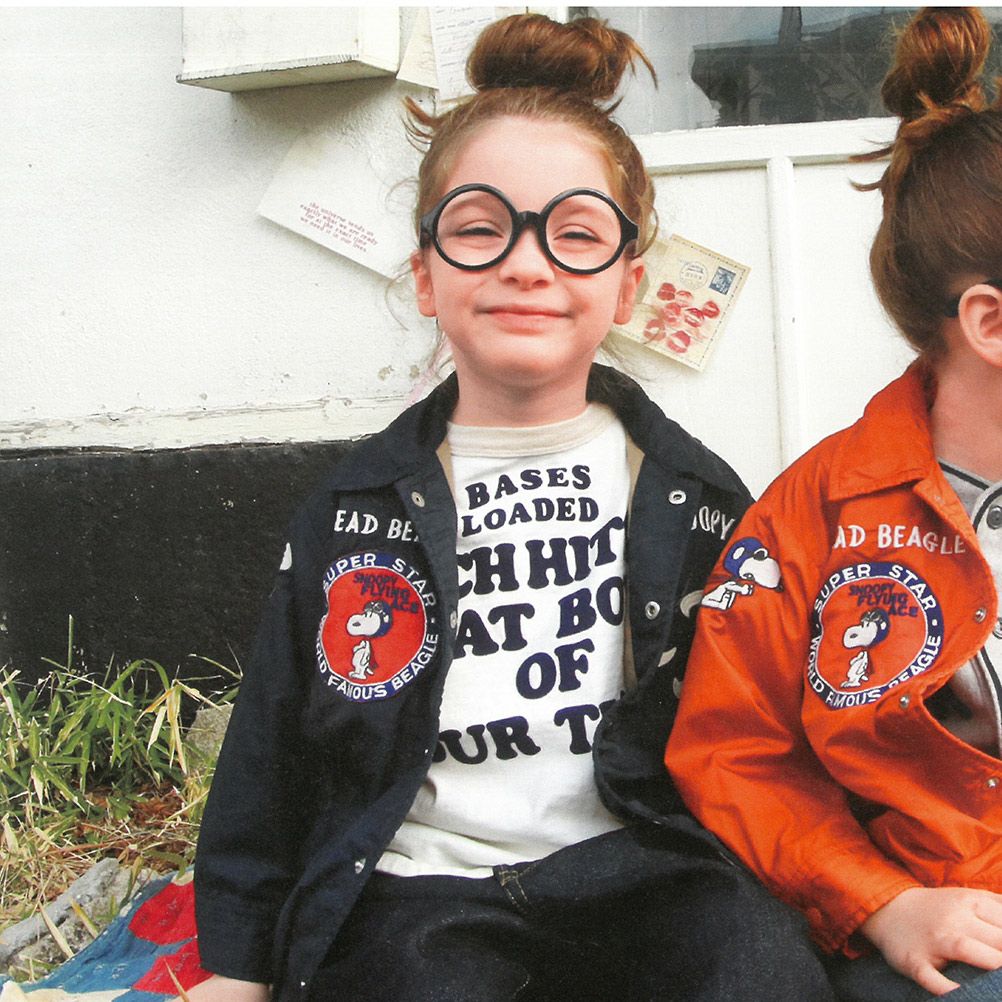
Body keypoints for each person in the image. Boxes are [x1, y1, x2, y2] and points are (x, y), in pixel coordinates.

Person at [183, 14, 832, 1002]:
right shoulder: (352, 512)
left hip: (643, 869)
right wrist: (238, 966)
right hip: (421, 894)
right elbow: (269, 751)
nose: (527, 264)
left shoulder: (696, 498)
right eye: (482, 229)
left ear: (627, 285)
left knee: (760, 970)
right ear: (425, 275)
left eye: (576, 235)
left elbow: (762, 730)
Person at [666, 7, 1002, 1001]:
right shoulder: (813, 516)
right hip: (948, 926)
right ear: (990, 323)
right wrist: (881, 902)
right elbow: (733, 753)